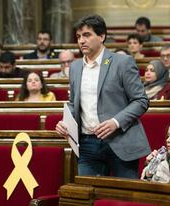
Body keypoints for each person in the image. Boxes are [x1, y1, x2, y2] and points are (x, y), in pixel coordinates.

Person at [55, 15, 151, 178]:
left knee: (124, 199)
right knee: (88, 198)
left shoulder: (122, 62)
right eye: (78, 37)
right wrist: (66, 123)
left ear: (102, 36)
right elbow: (74, 103)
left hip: (120, 140)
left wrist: (116, 122)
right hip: (87, 144)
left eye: (87, 35)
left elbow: (141, 101)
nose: (81, 41)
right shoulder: (76, 67)